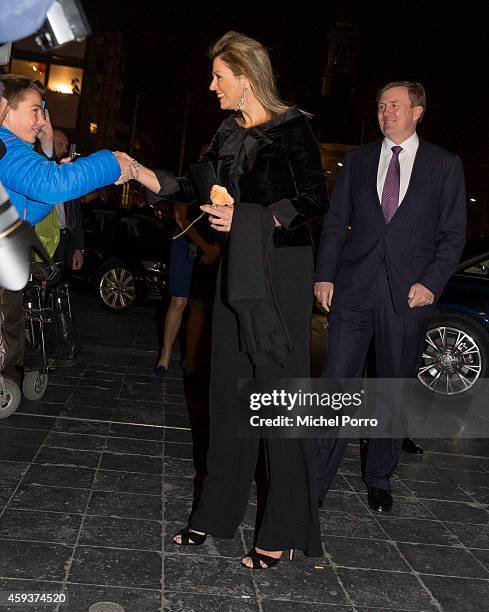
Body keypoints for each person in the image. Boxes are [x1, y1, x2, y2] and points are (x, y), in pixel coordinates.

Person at [122, 31, 329, 568]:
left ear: (246, 77)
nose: (211, 86)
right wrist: (141, 173)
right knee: (227, 396)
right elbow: (193, 187)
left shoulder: (294, 128)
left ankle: (281, 528)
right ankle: (213, 515)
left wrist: (252, 218)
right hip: (237, 272)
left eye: (218, 76)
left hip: (281, 269)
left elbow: (313, 198)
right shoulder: (226, 132)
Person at [314, 81, 466, 512]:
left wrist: (432, 282)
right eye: (381, 106)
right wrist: (325, 275)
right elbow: (335, 221)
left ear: (418, 111)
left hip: (408, 294)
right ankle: (315, 479)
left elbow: (453, 235)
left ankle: (379, 476)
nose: (386, 113)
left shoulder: (444, 165)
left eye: (395, 105)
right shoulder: (358, 160)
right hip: (354, 288)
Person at [0, 74, 133, 381]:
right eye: (35, 109)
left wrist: (49, 155)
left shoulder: (9, 148)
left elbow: (28, 211)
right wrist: (112, 162)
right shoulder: (6, 147)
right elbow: (51, 185)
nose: (41, 119)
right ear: (6, 109)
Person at [154, 202, 220, 380]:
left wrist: (214, 249)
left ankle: (190, 361)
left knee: (198, 303)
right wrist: (204, 247)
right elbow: (180, 216)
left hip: (211, 242)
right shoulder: (187, 182)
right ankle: (165, 357)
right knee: (179, 300)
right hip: (186, 240)